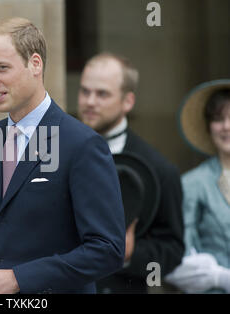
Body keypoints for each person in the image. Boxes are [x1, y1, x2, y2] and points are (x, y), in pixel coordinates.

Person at [0, 17, 125, 294]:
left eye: (2, 68)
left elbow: (107, 249)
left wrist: (20, 278)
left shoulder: (83, 145)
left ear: (35, 64)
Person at [77, 52, 184, 293]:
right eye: (85, 91)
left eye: (102, 94)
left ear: (128, 101)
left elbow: (173, 251)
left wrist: (130, 254)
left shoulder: (160, 170)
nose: (90, 102)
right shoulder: (57, 151)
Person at [165, 80, 230, 294]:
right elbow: (181, 258)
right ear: (209, 126)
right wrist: (220, 277)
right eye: (218, 119)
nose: (226, 126)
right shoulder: (194, 183)